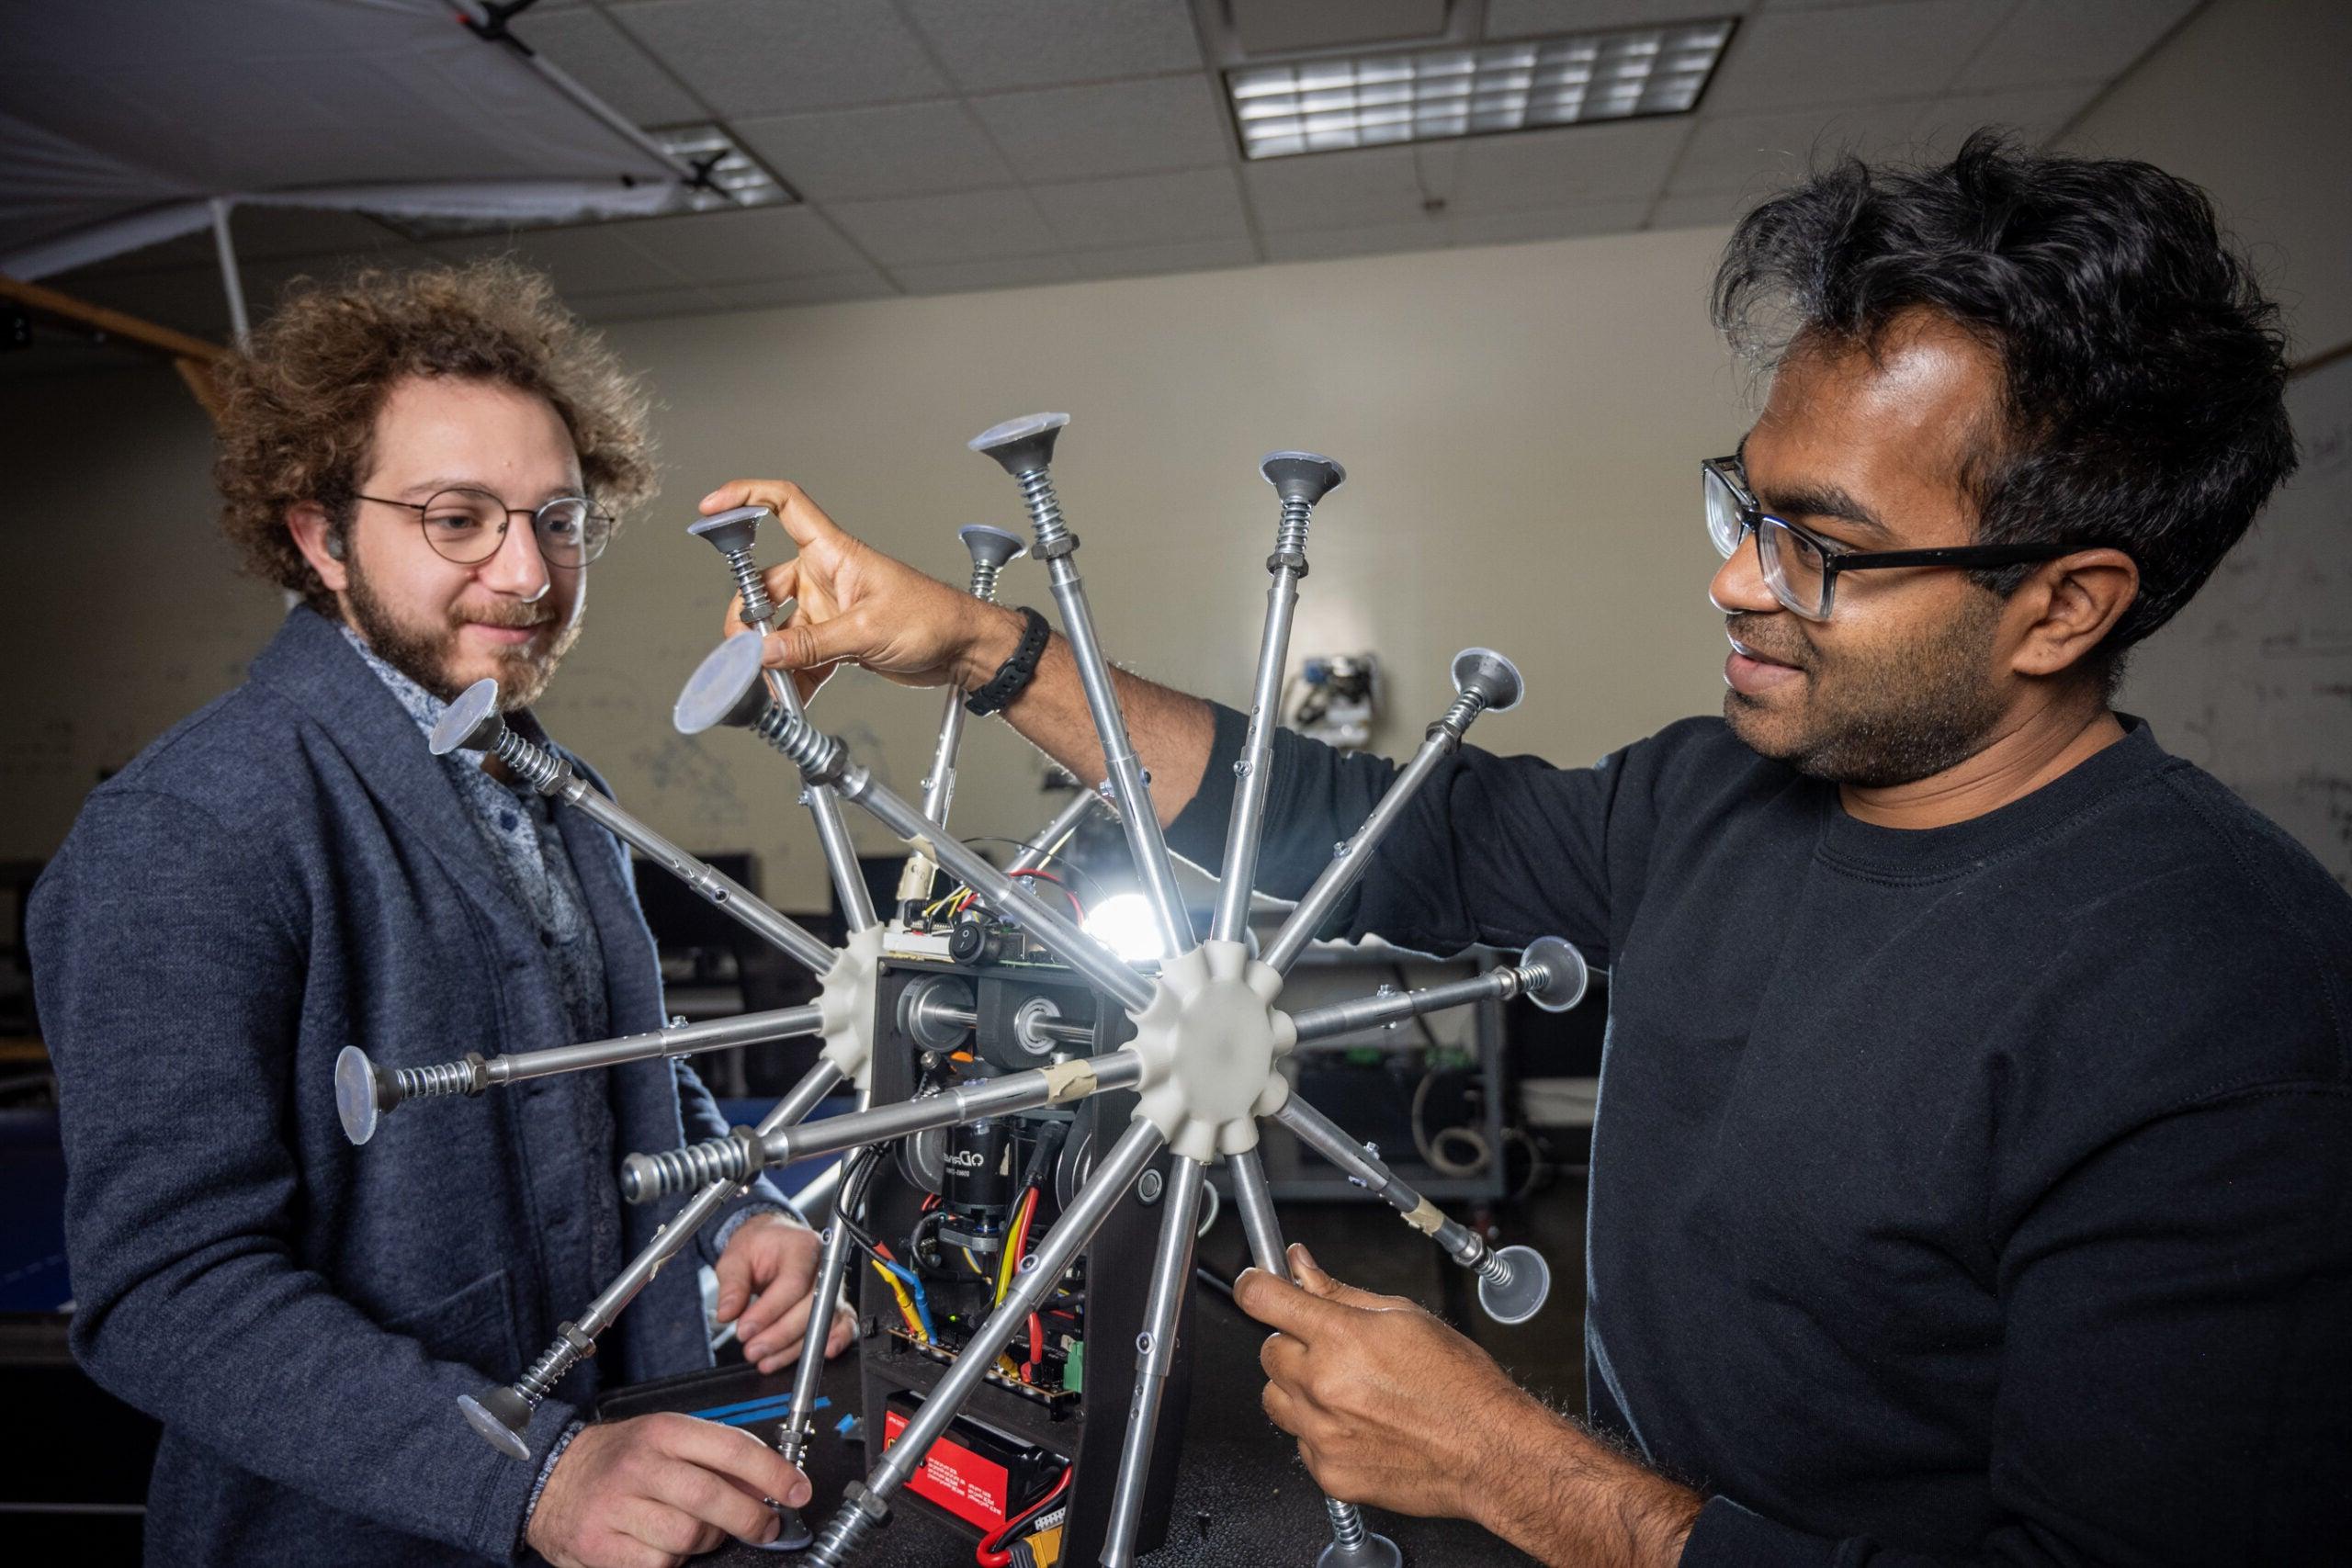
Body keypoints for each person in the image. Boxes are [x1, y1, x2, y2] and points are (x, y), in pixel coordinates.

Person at [695, 136, 2352, 1564]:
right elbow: (1366, 835)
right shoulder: (1714, 798)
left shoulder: (2228, 1017)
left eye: (1820, 549)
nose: (1735, 582)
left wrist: (1511, 1467)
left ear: (2065, 604)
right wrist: (982, 647)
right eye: (1743, 506)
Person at [30, 262, 847, 1568]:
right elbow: (165, 1293)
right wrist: (534, 1479)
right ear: (317, 536)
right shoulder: (191, 826)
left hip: (627, 1485)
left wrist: (738, 1218)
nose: (528, 573)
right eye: (458, 519)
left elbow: (619, 1076)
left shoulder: (549, 779)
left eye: (560, 519)